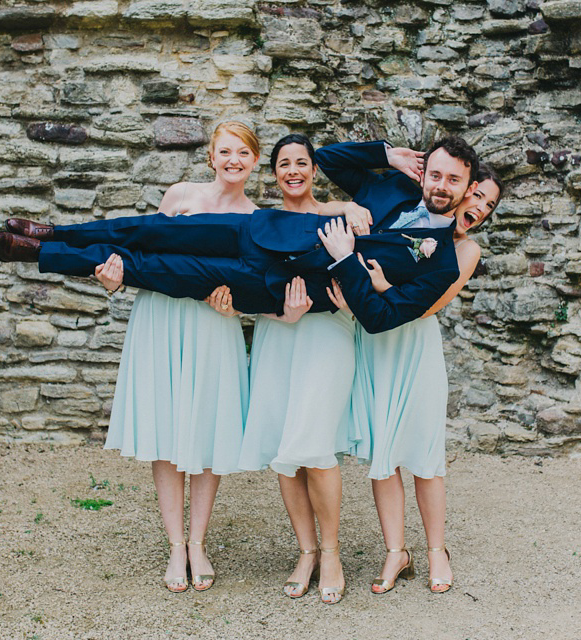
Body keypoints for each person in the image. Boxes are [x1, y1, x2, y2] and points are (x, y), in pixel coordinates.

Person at [0, 136, 481, 334]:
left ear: (465, 189)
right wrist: (387, 152)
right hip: (261, 231)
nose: (441, 185)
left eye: (452, 180)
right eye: (434, 174)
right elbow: (326, 158)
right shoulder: (392, 188)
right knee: (152, 231)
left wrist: (348, 260)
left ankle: (39, 254)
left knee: (157, 269)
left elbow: (381, 318)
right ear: (424, 174)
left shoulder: (443, 265)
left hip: (274, 287)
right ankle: (56, 230)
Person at [102, 121, 260, 594]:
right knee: (168, 429)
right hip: (162, 320)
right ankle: (175, 545)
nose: (234, 160)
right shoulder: (180, 196)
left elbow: (253, 286)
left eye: (243, 153)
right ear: (211, 157)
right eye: (225, 151)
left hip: (214, 325)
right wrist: (115, 277)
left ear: (254, 161)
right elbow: (143, 254)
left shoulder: (257, 217)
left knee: (207, 430)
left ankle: (198, 542)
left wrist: (238, 303)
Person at [210, 134, 366, 604]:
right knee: (285, 445)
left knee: (315, 443)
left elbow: (362, 274)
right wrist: (265, 312)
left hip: (328, 334)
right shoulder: (260, 223)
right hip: (279, 335)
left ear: (314, 170)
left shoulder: (342, 217)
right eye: (284, 164)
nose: (293, 170)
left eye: (302, 162)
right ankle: (306, 551)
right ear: (273, 172)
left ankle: (333, 552)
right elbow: (250, 288)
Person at [346, 164, 503, 596]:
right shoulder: (410, 217)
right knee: (384, 450)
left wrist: (379, 288)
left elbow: (430, 305)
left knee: (426, 453)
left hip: (415, 347)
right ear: (462, 192)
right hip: (374, 344)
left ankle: (437, 550)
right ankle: (396, 551)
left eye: (489, 205)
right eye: (478, 196)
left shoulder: (466, 250)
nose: (481, 208)